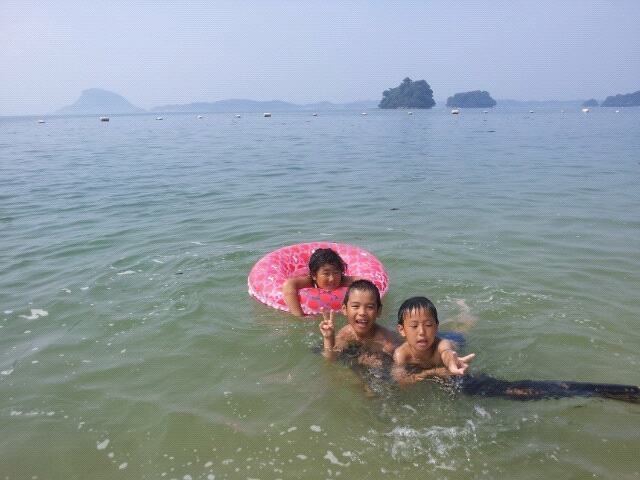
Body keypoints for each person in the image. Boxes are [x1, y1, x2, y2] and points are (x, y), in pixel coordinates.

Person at [393, 296, 476, 383]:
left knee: (461, 330)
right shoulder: (401, 354)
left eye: (428, 325)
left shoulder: (442, 344)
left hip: (454, 339)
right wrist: (431, 372)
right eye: (414, 326)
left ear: (436, 327)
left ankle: (465, 311)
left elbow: (446, 352)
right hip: (431, 336)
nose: (422, 332)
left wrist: (451, 363)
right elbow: (400, 381)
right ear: (402, 330)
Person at [319, 279, 399, 361]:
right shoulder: (345, 333)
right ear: (344, 309)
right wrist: (328, 338)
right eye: (355, 306)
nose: (362, 312)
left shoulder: (387, 341)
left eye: (369, 307)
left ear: (378, 311)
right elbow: (332, 359)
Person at [282, 247, 361, 317]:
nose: (332, 279)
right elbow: (288, 284)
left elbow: (362, 282)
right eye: (326, 274)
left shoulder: (342, 280)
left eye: (336, 273)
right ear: (314, 275)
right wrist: (300, 315)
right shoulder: (310, 281)